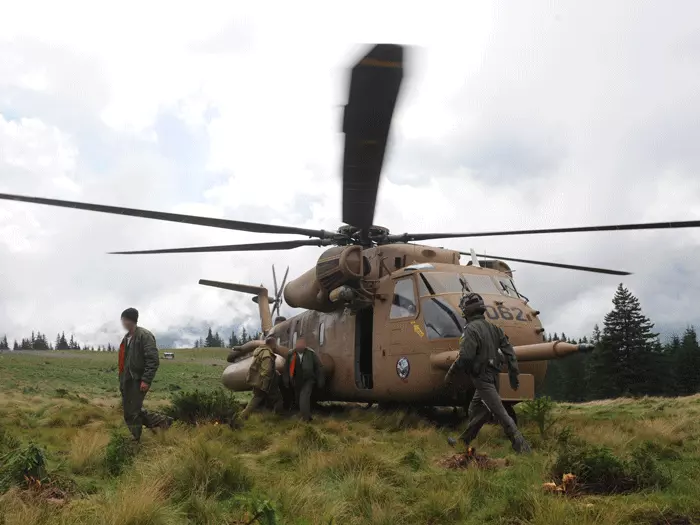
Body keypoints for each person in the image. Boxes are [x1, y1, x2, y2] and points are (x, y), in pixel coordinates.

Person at [444, 293, 531, 454]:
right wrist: (513, 374)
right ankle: (464, 441)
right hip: (493, 377)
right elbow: (510, 352)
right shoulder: (495, 329)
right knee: (478, 409)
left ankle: (522, 448)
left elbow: (465, 357)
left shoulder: (471, 330)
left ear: (467, 311)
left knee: (500, 413)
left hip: (482, 379)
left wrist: (451, 374)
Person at [118, 308, 172, 441]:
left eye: (124, 320)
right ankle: (163, 421)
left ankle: (135, 439)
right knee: (131, 410)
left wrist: (146, 380)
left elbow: (153, 360)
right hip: (127, 380)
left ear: (129, 320)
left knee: (132, 412)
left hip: (138, 380)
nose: (122, 323)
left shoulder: (144, 335)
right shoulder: (126, 339)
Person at [240, 336, 284, 418]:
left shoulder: (260, 351)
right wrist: (265, 383)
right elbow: (266, 369)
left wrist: (274, 371)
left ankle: (243, 415)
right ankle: (277, 417)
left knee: (256, 399)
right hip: (264, 382)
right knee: (278, 399)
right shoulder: (267, 353)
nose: (275, 346)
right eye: (275, 344)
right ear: (272, 344)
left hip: (258, 379)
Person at [284, 337, 324, 421]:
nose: (299, 346)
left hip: (308, 380)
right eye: (298, 344)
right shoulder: (291, 354)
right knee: (299, 399)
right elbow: (286, 368)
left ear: (305, 345)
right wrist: (286, 380)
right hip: (296, 380)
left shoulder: (311, 354)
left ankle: (305, 419)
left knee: (304, 397)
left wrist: (320, 381)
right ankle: (307, 416)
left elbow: (318, 367)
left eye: (301, 344)